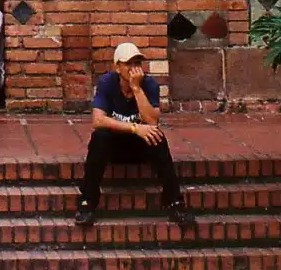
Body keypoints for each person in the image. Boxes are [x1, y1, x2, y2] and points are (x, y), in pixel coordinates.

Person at [75, 41, 195, 228]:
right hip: (114, 146)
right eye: (128, 64)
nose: (134, 68)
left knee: (158, 137)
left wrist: (137, 89)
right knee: (100, 137)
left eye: (137, 63)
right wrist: (134, 128)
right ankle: (87, 202)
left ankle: (175, 202)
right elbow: (98, 120)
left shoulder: (149, 84)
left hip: (139, 147)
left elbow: (152, 121)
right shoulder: (107, 83)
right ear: (118, 67)